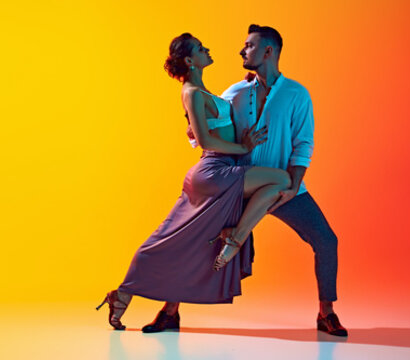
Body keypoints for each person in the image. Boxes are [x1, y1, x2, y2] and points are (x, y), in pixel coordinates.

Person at [96, 33, 291, 332]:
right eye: (201, 48)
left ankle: (149, 305)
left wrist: (251, 85)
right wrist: (244, 146)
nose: (207, 49)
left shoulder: (204, 92)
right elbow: (205, 140)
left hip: (218, 172)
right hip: (214, 172)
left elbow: (217, 121)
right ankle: (235, 238)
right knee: (282, 179)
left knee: (182, 243)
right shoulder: (191, 93)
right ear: (190, 60)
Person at [220, 24, 346, 336]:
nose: (241, 50)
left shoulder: (296, 94)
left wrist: (292, 185)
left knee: (326, 241)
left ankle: (326, 312)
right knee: (200, 238)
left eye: (249, 45)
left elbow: (303, 143)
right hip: (242, 186)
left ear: (268, 51)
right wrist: (193, 127)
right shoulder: (235, 92)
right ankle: (170, 311)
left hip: (286, 188)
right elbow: (211, 128)